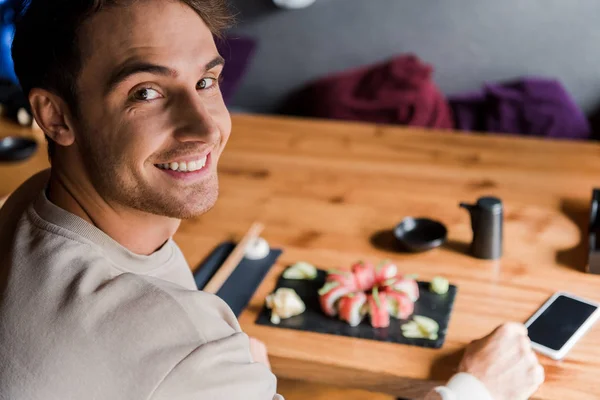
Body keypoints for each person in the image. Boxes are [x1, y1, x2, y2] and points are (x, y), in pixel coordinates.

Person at [0, 0, 544, 399]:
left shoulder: (29, 205)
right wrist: (476, 389)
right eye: (146, 92)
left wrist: (227, 372)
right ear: (55, 116)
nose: (204, 126)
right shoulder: (186, 350)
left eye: (208, 82)